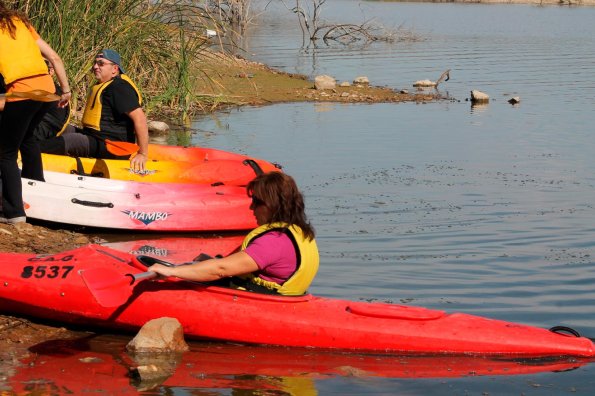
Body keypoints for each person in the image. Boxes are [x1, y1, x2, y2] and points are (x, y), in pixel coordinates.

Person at [148, 172, 320, 296]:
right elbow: (225, 264)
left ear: (273, 204)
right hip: (285, 300)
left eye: (256, 202)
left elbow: (221, 269)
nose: (251, 207)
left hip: (261, 305)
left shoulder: (273, 242)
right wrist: (207, 263)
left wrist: (171, 272)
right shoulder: (298, 232)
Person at [0, 2, 71, 224]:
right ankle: (35, 187)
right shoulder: (20, 23)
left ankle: (13, 213)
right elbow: (55, 58)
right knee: (28, 139)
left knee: (5, 154)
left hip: (22, 92)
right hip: (48, 90)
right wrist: (66, 90)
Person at [40, 49, 148, 172]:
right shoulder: (105, 86)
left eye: (101, 63)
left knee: (71, 141)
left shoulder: (119, 88)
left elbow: (140, 118)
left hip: (112, 145)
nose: (95, 67)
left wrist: (142, 154)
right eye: (95, 63)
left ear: (114, 69)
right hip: (95, 137)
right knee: (63, 128)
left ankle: (27, 152)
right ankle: (30, 141)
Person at [32, 59, 71, 141]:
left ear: (51, 71)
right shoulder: (52, 87)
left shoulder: (46, 88)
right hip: (45, 128)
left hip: (42, 132)